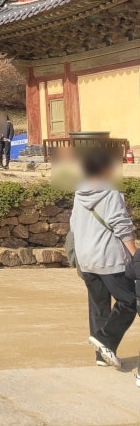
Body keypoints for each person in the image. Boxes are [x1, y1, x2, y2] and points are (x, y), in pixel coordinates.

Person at [70, 148, 138, 382]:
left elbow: (74, 224)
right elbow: (120, 224)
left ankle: (102, 355)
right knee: (129, 301)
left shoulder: (80, 192)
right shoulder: (110, 192)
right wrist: (135, 254)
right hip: (108, 259)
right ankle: (105, 339)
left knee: (98, 305)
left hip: (87, 259)